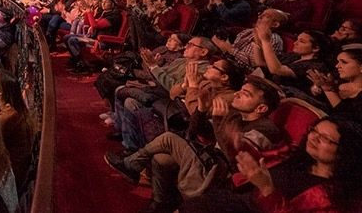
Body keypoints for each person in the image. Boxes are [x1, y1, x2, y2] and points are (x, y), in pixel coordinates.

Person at [106, 76, 284, 213]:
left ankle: (131, 165)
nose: (237, 94)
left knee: (169, 138)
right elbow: (195, 133)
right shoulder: (236, 115)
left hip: (222, 175)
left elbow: (235, 157)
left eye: (245, 94)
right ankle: (161, 203)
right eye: (240, 90)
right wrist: (201, 109)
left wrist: (218, 119)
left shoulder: (265, 129)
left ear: (261, 108)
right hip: (207, 159)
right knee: (161, 158)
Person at [182, 118, 362, 213]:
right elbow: (262, 159)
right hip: (242, 199)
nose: (314, 137)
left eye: (325, 139)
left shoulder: (335, 197)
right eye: (314, 130)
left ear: (344, 152)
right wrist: (238, 144)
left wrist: (267, 189)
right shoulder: (298, 157)